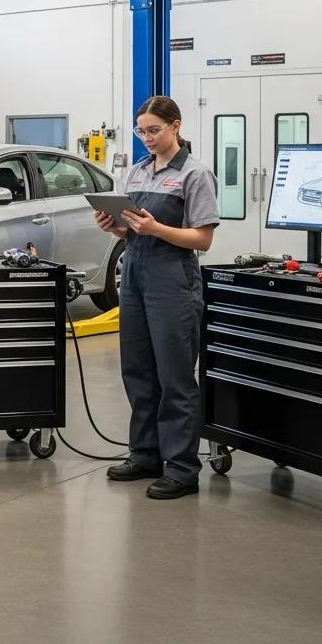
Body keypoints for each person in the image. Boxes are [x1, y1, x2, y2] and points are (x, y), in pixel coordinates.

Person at [94, 95, 219, 499]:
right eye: (141, 131)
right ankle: (145, 454)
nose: (147, 138)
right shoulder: (136, 173)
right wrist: (113, 228)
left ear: (176, 126)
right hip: (134, 275)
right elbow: (132, 230)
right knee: (138, 370)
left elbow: (202, 239)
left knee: (175, 376)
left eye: (154, 130)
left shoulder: (195, 175)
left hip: (173, 280)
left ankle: (182, 467)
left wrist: (154, 229)